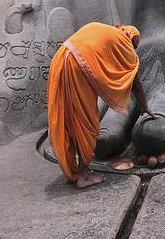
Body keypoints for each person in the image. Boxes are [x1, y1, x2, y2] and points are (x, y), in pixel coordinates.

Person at [47, 22, 155, 188]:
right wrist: (144, 105)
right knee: (88, 123)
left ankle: (73, 170)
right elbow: (135, 81)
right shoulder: (125, 43)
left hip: (60, 60)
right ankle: (83, 176)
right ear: (132, 41)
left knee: (69, 118)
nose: (132, 51)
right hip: (76, 66)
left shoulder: (109, 32)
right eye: (134, 47)